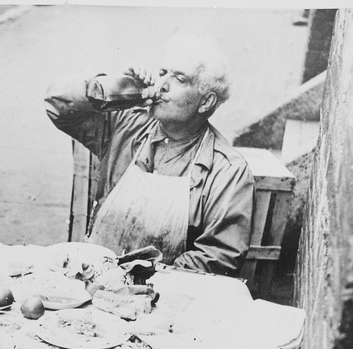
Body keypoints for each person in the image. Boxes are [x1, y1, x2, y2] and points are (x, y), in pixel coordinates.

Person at [45, 35, 254, 276]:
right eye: (163, 72)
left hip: (162, 296)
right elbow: (57, 106)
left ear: (206, 102)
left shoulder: (228, 171)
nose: (161, 84)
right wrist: (114, 87)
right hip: (92, 278)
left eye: (179, 78)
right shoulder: (127, 124)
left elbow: (219, 258)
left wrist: (136, 278)